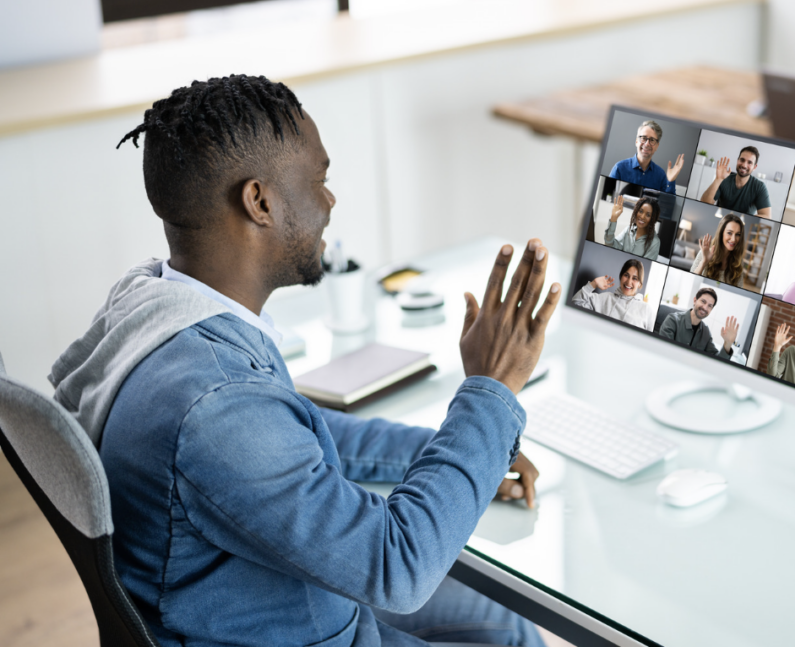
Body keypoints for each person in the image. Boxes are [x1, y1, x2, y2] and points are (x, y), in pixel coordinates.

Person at [47, 75, 558, 647]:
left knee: (507, 624)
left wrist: (461, 454)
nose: (330, 202)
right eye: (320, 181)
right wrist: (490, 391)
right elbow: (399, 567)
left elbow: (293, 437)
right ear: (259, 201)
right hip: (304, 626)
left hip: (284, 595)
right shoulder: (216, 405)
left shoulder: (161, 310)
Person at [658, 288, 741, 359]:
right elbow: (662, 352)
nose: (705, 307)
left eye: (710, 306)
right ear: (695, 300)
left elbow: (716, 361)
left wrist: (727, 344)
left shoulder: (706, 332)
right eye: (703, 301)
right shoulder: (672, 320)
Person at [572, 258, 652, 330]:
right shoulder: (606, 298)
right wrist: (593, 284)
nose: (629, 282)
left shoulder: (646, 310)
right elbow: (576, 303)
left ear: (640, 284)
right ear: (621, 277)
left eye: (634, 278)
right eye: (626, 275)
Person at [609, 120, 685, 193]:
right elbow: (609, 195)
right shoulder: (619, 168)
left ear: (657, 146)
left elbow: (668, 202)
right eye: (643, 138)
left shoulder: (661, 175)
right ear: (636, 141)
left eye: (652, 140)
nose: (647, 143)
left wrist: (671, 181)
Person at [700, 146, 771, 217]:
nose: (744, 165)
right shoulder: (724, 179)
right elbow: (704, 203)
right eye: (742, 160)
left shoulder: (759, 187)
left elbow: (766, 216)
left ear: (754, 167)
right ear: (737, 160)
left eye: (749, 162)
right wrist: (718, 179)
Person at [690, 213, 745, 287]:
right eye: (729, 233)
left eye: (738, 234)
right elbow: (691, 280)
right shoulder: (704, 254)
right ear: (721, 233)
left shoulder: (738, 261)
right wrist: (704, 261)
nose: (733, 239)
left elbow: (739, 287)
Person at [604, 193, 662, 260]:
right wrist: (613, 218)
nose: (642, 217)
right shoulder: (628, 230)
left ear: (653, 219)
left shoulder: (655, 242)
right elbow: (609, 244)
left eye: (648, 215)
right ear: (636, 211)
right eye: (641, 211)